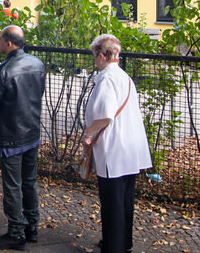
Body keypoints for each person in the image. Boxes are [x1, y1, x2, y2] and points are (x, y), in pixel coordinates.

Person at [82, 34, 152, 252]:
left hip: (114, 149)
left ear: (103, 55)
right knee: (124, 199)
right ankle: (123, 242)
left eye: (95, 55)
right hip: (130, 147)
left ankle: (113, 246)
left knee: (112, 200)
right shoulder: (123, 76)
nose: (94, 60)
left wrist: (87, 134)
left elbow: (105, 114)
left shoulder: (107, 78)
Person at [0, 25, 45, 251]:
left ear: (9, 43)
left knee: (12, 186)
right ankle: (32, 227)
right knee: (29, 182)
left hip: (11, 135)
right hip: (31, 132)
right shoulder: (37, 64)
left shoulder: (1, 71)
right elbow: (39, 93)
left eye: (0, 39)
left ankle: (15, 233)